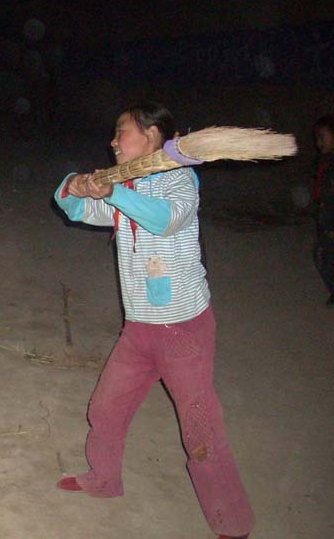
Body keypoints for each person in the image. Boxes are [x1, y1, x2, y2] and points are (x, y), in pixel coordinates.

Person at [52, 102, 253, 539]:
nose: (112, 141)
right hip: (139, 330)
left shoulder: (179, 180)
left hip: (183, 329)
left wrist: (113, 193)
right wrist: (74, 185)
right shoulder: (124, 185)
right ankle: (104, 479)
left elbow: (164, 221)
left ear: (152, 135)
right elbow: (72, 208)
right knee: (105, 408)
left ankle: (233, 523)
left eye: (121, 131)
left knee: (200, 429)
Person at [312, 114, 334, 307]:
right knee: (322, 256)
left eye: (322, 137)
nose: (319, 143)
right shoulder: (326, 161)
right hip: (326, 217)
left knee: (324, 257)